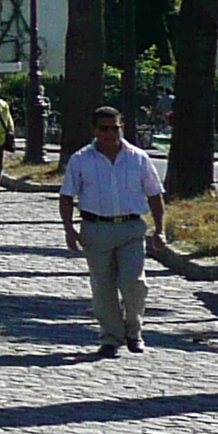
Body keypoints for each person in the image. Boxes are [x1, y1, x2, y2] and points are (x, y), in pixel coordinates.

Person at [59, 106, 169, 356]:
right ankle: (110, 336)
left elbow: (155, 194)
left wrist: (159, 229)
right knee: (103, 287)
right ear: (95, 130)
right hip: (95, 228)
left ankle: (134, 330)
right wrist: (69, 229)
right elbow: (66, 196)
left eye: (115, 128)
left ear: (122, 127)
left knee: (134, 282)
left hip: (131, 228)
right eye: (104, 129)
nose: (110, 133)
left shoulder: (138, 157)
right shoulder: (81, 159)